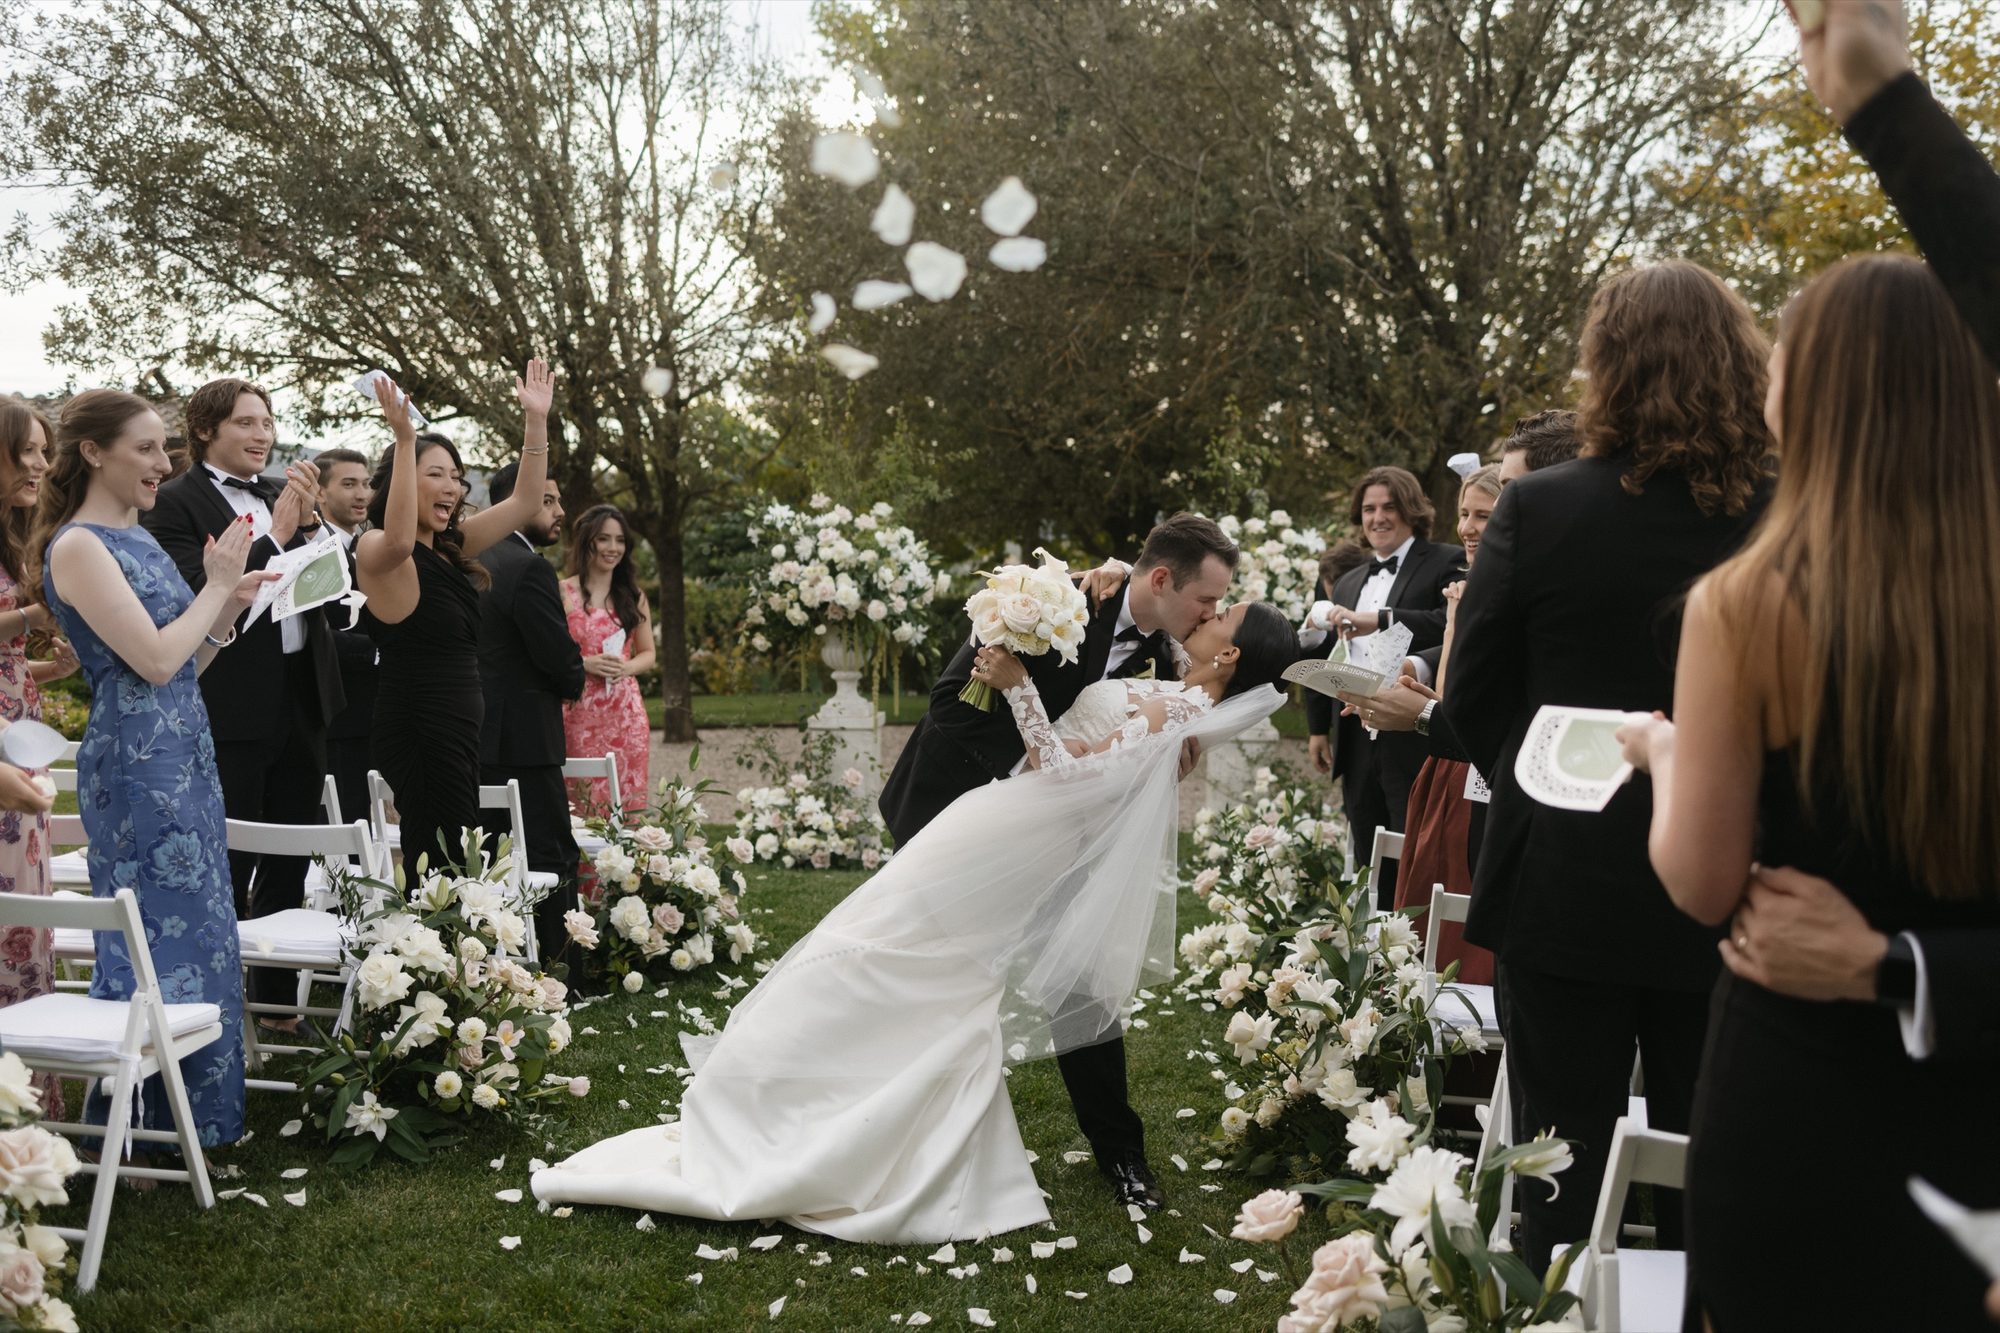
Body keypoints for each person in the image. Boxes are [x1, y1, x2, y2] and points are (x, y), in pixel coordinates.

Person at [534, 602, 1299, 1240]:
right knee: (907, 957)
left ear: (1228, 651)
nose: (1204, 613)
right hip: (1000, 824)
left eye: (1219, 614)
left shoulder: (1181, 708)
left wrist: (1017, 684)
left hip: (1014, 832)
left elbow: (1067, 775)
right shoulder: (1174, 692)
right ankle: (840, 1117)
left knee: (896, 951)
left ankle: (803, 1112)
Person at [1617, 254, 2000, 1333]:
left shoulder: (1746, 604)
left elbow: (1700, 882)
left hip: (1800, 1090)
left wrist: (1661, 759)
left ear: (1813, 393)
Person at [1444, 260, 1772, 1273]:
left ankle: (1553, 1295)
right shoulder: (1783, 507)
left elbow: (1470, 700)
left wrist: (1552, 766)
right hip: (1732, 872)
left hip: (1561, 872)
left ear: (1605, 367)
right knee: (1705, 1157)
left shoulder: (1538, 509)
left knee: (1560, 1151)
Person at [880, 511, 1236, 1211]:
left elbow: (1126, 735)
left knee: (1082, 982)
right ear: (1162, 580)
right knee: (933, 977)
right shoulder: (1050, 600)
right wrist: (1036, 776)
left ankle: (1122, 1155)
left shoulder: (1172, 651)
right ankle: (902, 1130)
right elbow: (951, 701)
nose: (1212, 613)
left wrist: (1149, 759)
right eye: (1206, 600)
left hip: (1063, 834)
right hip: (960, 812)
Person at [35, 389, 276, 1149]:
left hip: (184, 751)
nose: (163, 464)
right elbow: (151, 657)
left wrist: (226, 608)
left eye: (164, 449)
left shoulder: (136, 536)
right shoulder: (78, 546)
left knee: (203, 929)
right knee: (148, 939)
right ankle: (136, 1135)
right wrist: (212, 585)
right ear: (94, 453)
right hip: (135, 769)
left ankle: (199, 1124)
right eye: (145, 448)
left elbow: (185, 666)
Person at [142, 378, 344, 1030]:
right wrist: (278, 531)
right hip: (228, 704)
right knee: (227, 857)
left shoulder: (274, 495)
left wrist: (313, 532)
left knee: (290, 855)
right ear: (205, 429)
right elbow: (194, 593)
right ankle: (216, 1007)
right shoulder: (174, 503)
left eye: (268, 421)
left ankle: (279, 1007)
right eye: (247, 422)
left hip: (300, 699)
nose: (263, 434)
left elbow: (328, 601)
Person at [355, 363, 554, 884]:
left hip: (463, 728)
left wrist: (537, 421)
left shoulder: (450, 548)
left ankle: (446, 960)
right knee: (438, 862)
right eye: (436, 474)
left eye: (457, 476)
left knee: (459, 856)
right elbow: (399, 540)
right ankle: (428, 961)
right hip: (420, 725)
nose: (452, 486)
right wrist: (404, 439)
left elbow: (527, 502)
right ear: (402, 480)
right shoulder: (376, 547)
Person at [1301, 466, 1464, 906]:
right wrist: (1319, 727)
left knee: (1415, 850)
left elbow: (1450, 626)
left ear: (1411, 510)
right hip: (1355, 739)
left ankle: (1412, 955)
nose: (1378, 517)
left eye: (1389, 507)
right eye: (1370, 508)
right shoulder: (1351, 579)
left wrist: (1384, 618)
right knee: (1369, 855)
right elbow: (1331, 654)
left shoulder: (1446, 561)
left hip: (1413, 735)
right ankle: (1373, 956)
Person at [1385, 463, 1501, 984]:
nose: (1468, 528)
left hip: (1475, 769)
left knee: (1461, 914)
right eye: (1464, 514)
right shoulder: (1472, 585)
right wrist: (1417, 674)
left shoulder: (1505, 592)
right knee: (1425, 904)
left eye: (1484, 515)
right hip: (1443, 768)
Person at [0, 398, 79, 1117]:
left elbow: (9, 668)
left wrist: (55, 665)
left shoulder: (16, 540)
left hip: (21, 756)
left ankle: (29, 1112)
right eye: (24, 449)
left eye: (43, 450)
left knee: (27, 926)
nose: (38, 464)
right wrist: (31, 615)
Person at [477, 462, 584, 961]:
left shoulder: (469, 557)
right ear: (513, 502)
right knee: (549, 855)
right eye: (548, 500)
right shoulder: (530, 568)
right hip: (526, 741)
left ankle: (493, 963)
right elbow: (557, 655)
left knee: (488, 860)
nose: (560, 511)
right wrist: (573, 680)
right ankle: (562, 971)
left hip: (476, 737)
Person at [559, 504, 653, 816]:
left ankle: (626, 866)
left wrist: (627, 667)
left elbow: (648, 654)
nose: (613, 548)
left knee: (628, 804)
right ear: (587, 541)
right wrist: (584, 663)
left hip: (626, 714)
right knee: (582, 804)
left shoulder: (634, 596)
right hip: (579, 713)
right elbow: (551, 652)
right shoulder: (563, 592)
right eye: (604, 539)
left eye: (620, 540)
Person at [314, 447, 377, 827]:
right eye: (349, 484)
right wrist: (382, 651)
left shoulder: (367, 547)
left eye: (367, 484)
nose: (361, 494)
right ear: (320, 493)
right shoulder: (315, 549)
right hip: (335, 720)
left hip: (372, 719)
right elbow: (315, 632)